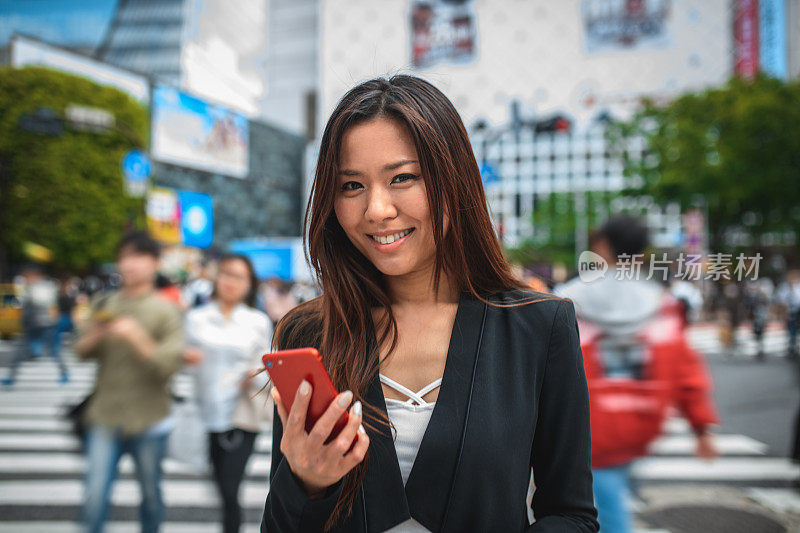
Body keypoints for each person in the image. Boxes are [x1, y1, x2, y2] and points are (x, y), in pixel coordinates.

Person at [260, 75, 598, 532]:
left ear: (452, 182)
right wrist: (305, 482)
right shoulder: (309, 334)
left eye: (403, 178)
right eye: (352, 186)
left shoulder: (538, 326)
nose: (377, 209)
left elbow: (570, 514)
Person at [555, 216, 719, 533]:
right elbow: (686, 370)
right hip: (641, 424)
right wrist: (701, 427)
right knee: (610, 501)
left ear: (601, 246)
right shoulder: (662, 303)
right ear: (641, 254)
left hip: (589, 429)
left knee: (604, 514)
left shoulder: (566, 301)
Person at [74, 231, 184, 533]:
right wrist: (96, 334)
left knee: (150, 495)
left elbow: (167, 366)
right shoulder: (103, 303)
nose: (129, 264)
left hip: (149, 420)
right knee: (94, 495)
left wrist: (136, 337)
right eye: (124, 257)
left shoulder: (167, 311)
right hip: (105, 415)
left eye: (138, 256)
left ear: (154, 263)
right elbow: (80, 351)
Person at [183, 253, 273, 533]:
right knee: (219, 483)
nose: (232, 282)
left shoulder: (257, 321)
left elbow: (269, 367)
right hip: (205, 413)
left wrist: (254, 374)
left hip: (241, 414)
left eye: (240, 277)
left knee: (230, 485)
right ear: (216, 277)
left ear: (249, 284)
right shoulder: (196, 318)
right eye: (227, 274)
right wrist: (184, 358)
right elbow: (177, 360)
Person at [2, 264, 62, 387]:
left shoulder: (43, 287)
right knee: (20, 352)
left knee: (53, 351)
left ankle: (64, 372)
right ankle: (11, 377)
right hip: (33, 325)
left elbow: (44, 302)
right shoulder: (32, 286)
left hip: (43, 324)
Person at [777, 269, 800, 359]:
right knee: (791, 331)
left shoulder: (798, 287)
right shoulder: (784, 288)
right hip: (789, 312)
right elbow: (781, 300)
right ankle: (791, 348)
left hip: (798, 311)